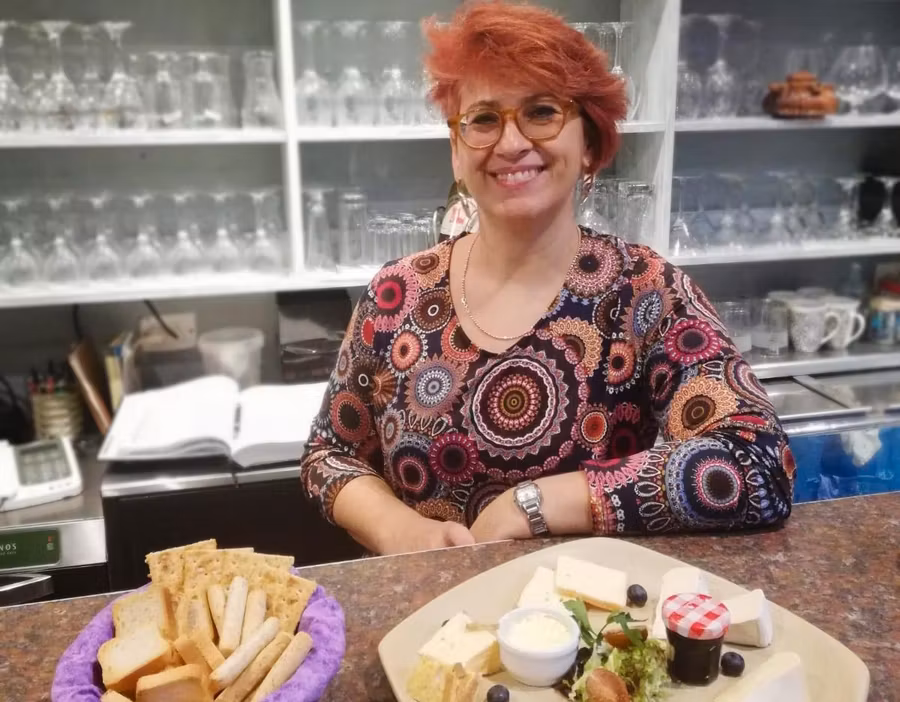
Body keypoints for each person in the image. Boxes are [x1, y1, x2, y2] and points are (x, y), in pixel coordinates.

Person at [300, 0, 795, 555]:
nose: (511, 143)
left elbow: (758, 461)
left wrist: (532, 505)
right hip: (429, 603)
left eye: (541, 112)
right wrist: (400, 530)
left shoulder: (645, 291)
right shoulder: (398, 294)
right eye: (483, 119)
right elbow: (329, 453)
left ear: (589, 143)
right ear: (457, 152)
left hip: (588, 605)